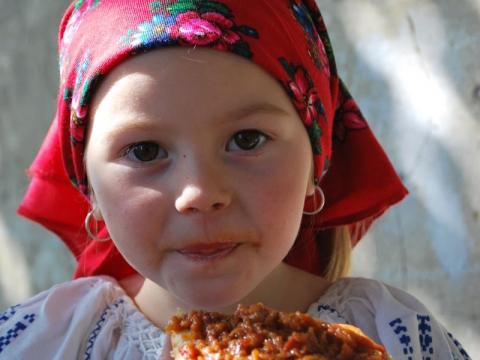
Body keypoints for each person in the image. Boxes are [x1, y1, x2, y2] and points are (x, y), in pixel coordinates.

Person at [0, 0, 471, 359]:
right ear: (90, 188)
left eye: (246, 139)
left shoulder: (395, 334)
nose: (201, 194)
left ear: (317, 161)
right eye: (144, 151)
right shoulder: (43, 341)